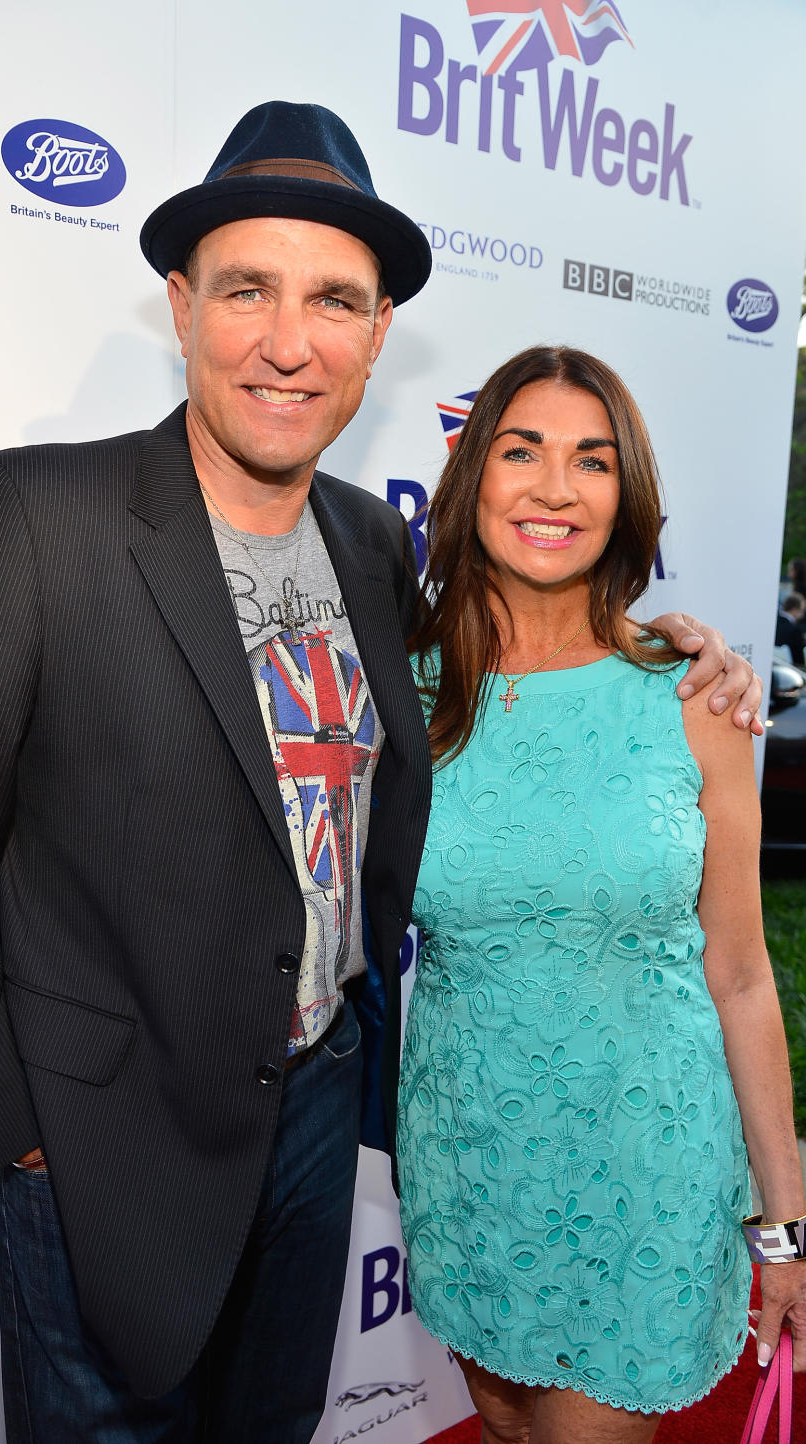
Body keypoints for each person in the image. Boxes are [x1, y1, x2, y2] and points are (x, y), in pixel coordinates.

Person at [0, 104, 759, 1443]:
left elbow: (505, 684)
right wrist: (19, 1130)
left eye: (335, 299)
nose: (291, 341)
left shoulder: (367, 543)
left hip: (321, 1115)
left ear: (380, 332)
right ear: (181, 303)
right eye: (249, 291)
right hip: (110, 1147)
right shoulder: (35, 517)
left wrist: (682, 652)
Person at [397, 346, 806, 1444]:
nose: (554, 487)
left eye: (592, 460)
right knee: (504, 1425)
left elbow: (742, 971)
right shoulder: (409, 693)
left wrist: (786, 1223)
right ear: (473, 475)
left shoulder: (691, 694)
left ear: (626, 499)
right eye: (522, 450)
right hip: (470, 1160)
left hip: (644, 1174)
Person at [776, 590, 806, 667]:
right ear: (795, 609)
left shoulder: (773, 624)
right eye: (802, 611)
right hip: (791, 671)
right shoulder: (795, 631)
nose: (803, 615)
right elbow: (800, 661)